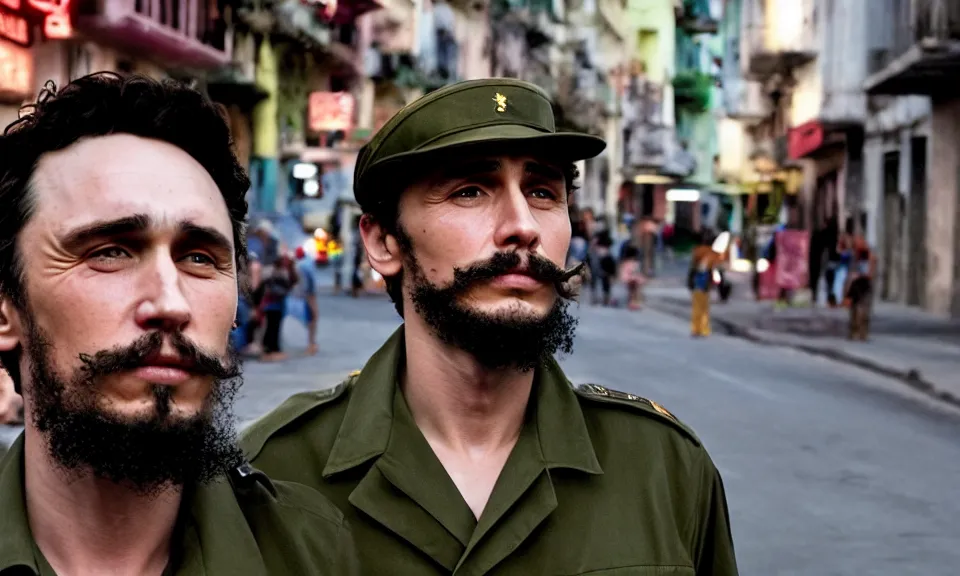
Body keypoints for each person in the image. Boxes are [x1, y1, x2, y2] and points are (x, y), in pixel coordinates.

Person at [241, 78, 739, 575]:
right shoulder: (271, 477)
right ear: (384, 241)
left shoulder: (665, 467)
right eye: (470, 191)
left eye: (543, 192)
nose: (523, 225)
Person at [0, 73, 358, 575]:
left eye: (199, 258)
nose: (171, 303)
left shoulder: (312, 553)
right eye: (110, 252)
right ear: (5, 308)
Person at [689, 235, 718, 338]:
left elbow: (692, 269)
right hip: (704, 283)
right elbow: (712, 269)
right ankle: (704, 329)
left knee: (697, 308)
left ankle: (696, 329)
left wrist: (690, 283)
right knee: (704, 308)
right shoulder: (712, 254)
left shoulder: (697, 252)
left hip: (697, 283)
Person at [294, 246, 320, 355]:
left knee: (311, 319)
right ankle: (311, 343)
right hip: (311, 295)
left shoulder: (300, 265)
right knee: (313, 319)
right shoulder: (308, 263)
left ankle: (311, 344)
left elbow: (305, 284)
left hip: (308, 295)